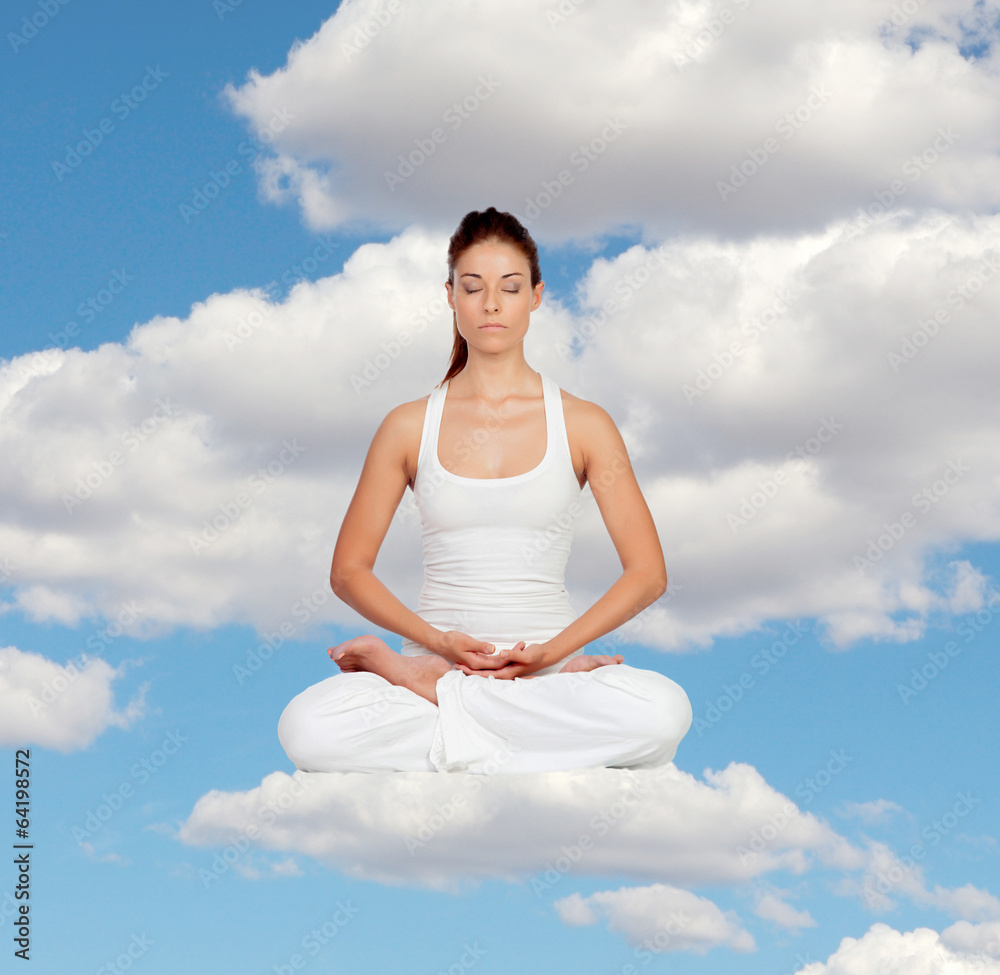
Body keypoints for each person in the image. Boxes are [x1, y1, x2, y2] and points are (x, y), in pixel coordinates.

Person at [277, 207, 692, 774]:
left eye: (510, 287)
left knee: (663, 713)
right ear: (450, 296)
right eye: (473, 287)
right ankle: (440, 686)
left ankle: (441, 697)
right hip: (437, 658)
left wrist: (556, 652)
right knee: (309, 729)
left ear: (537, 296)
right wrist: (439, 646)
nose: (491, 303)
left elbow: (648, 573)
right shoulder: (407, 426)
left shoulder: (585, 424)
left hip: (546, 666)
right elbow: (349, 571)